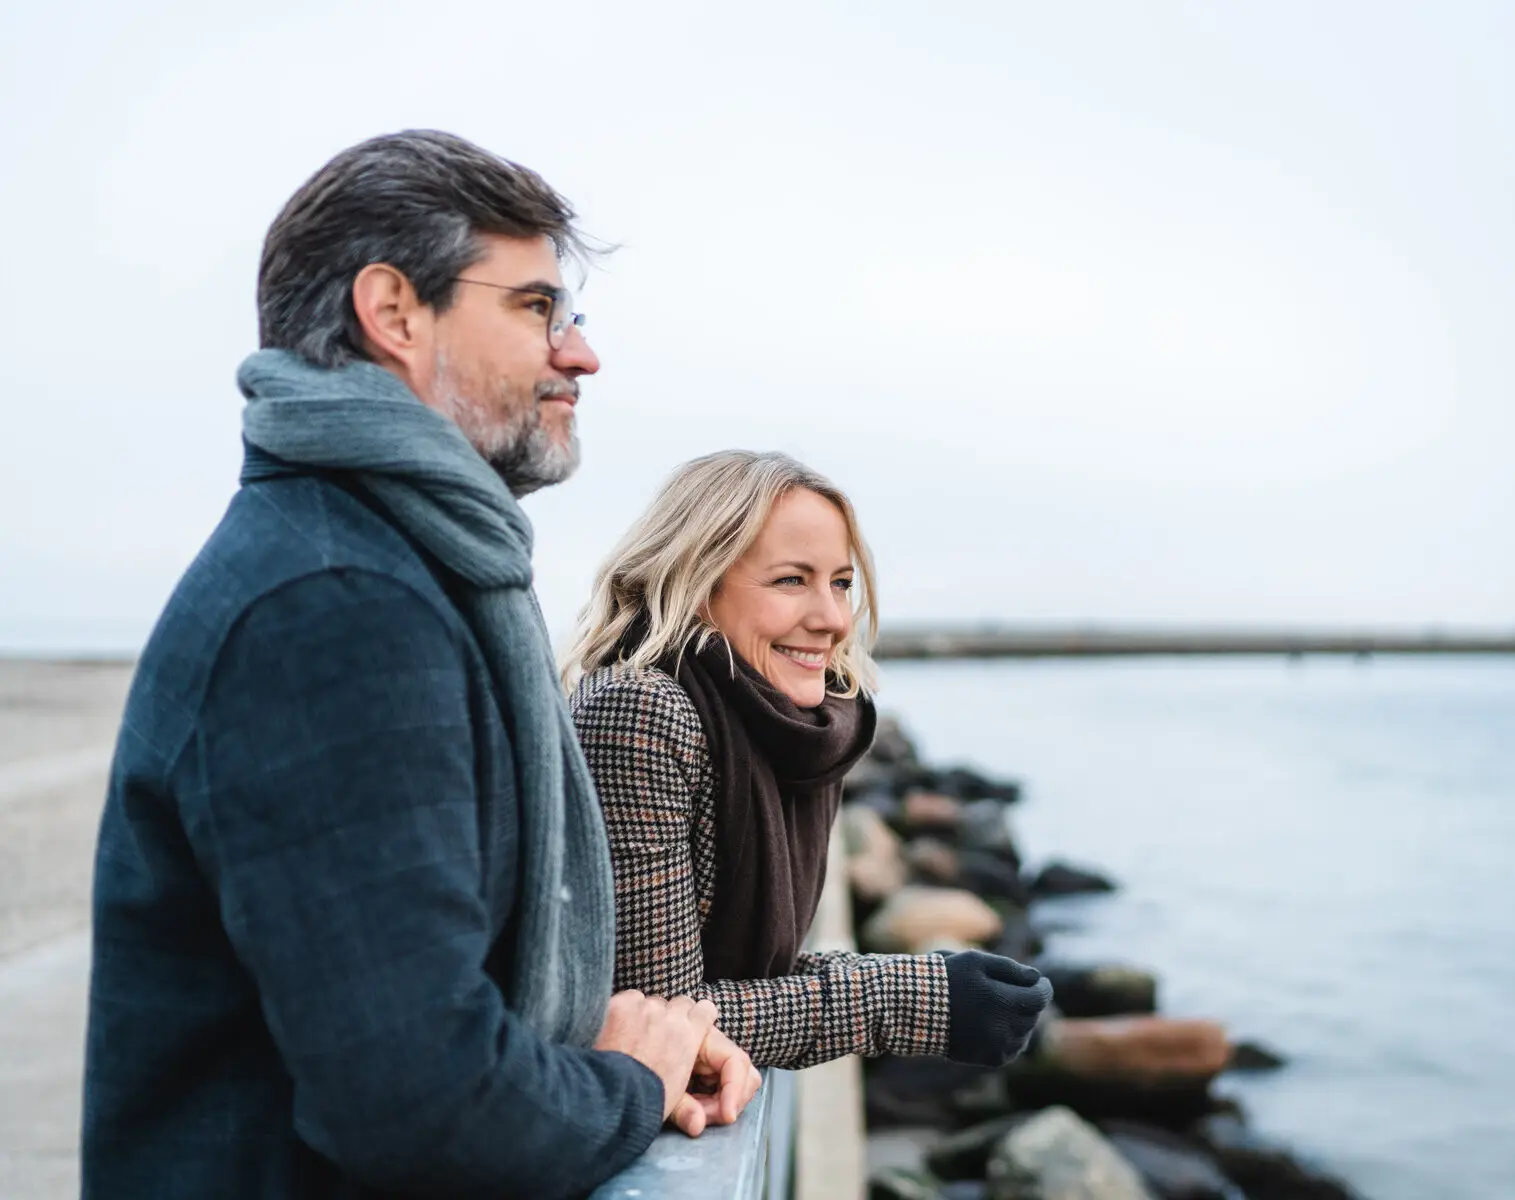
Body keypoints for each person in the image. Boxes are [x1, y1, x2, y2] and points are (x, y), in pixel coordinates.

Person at [83, 130, 754, 1200]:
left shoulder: (395, 571)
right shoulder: (333, 608)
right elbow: (427, 1108)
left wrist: (594, 1063)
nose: (580, 355)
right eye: (538, 309)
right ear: (394, 313)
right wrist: (625, 1080)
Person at [564, 451, 1052, 1071]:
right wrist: (925, 1002)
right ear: (694, 582)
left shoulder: (788, 728)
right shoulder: (639, 711)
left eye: (841, 583)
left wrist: (942, 978)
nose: (832, 619)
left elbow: (753, 974)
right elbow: (660, 1023)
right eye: (792, 580)